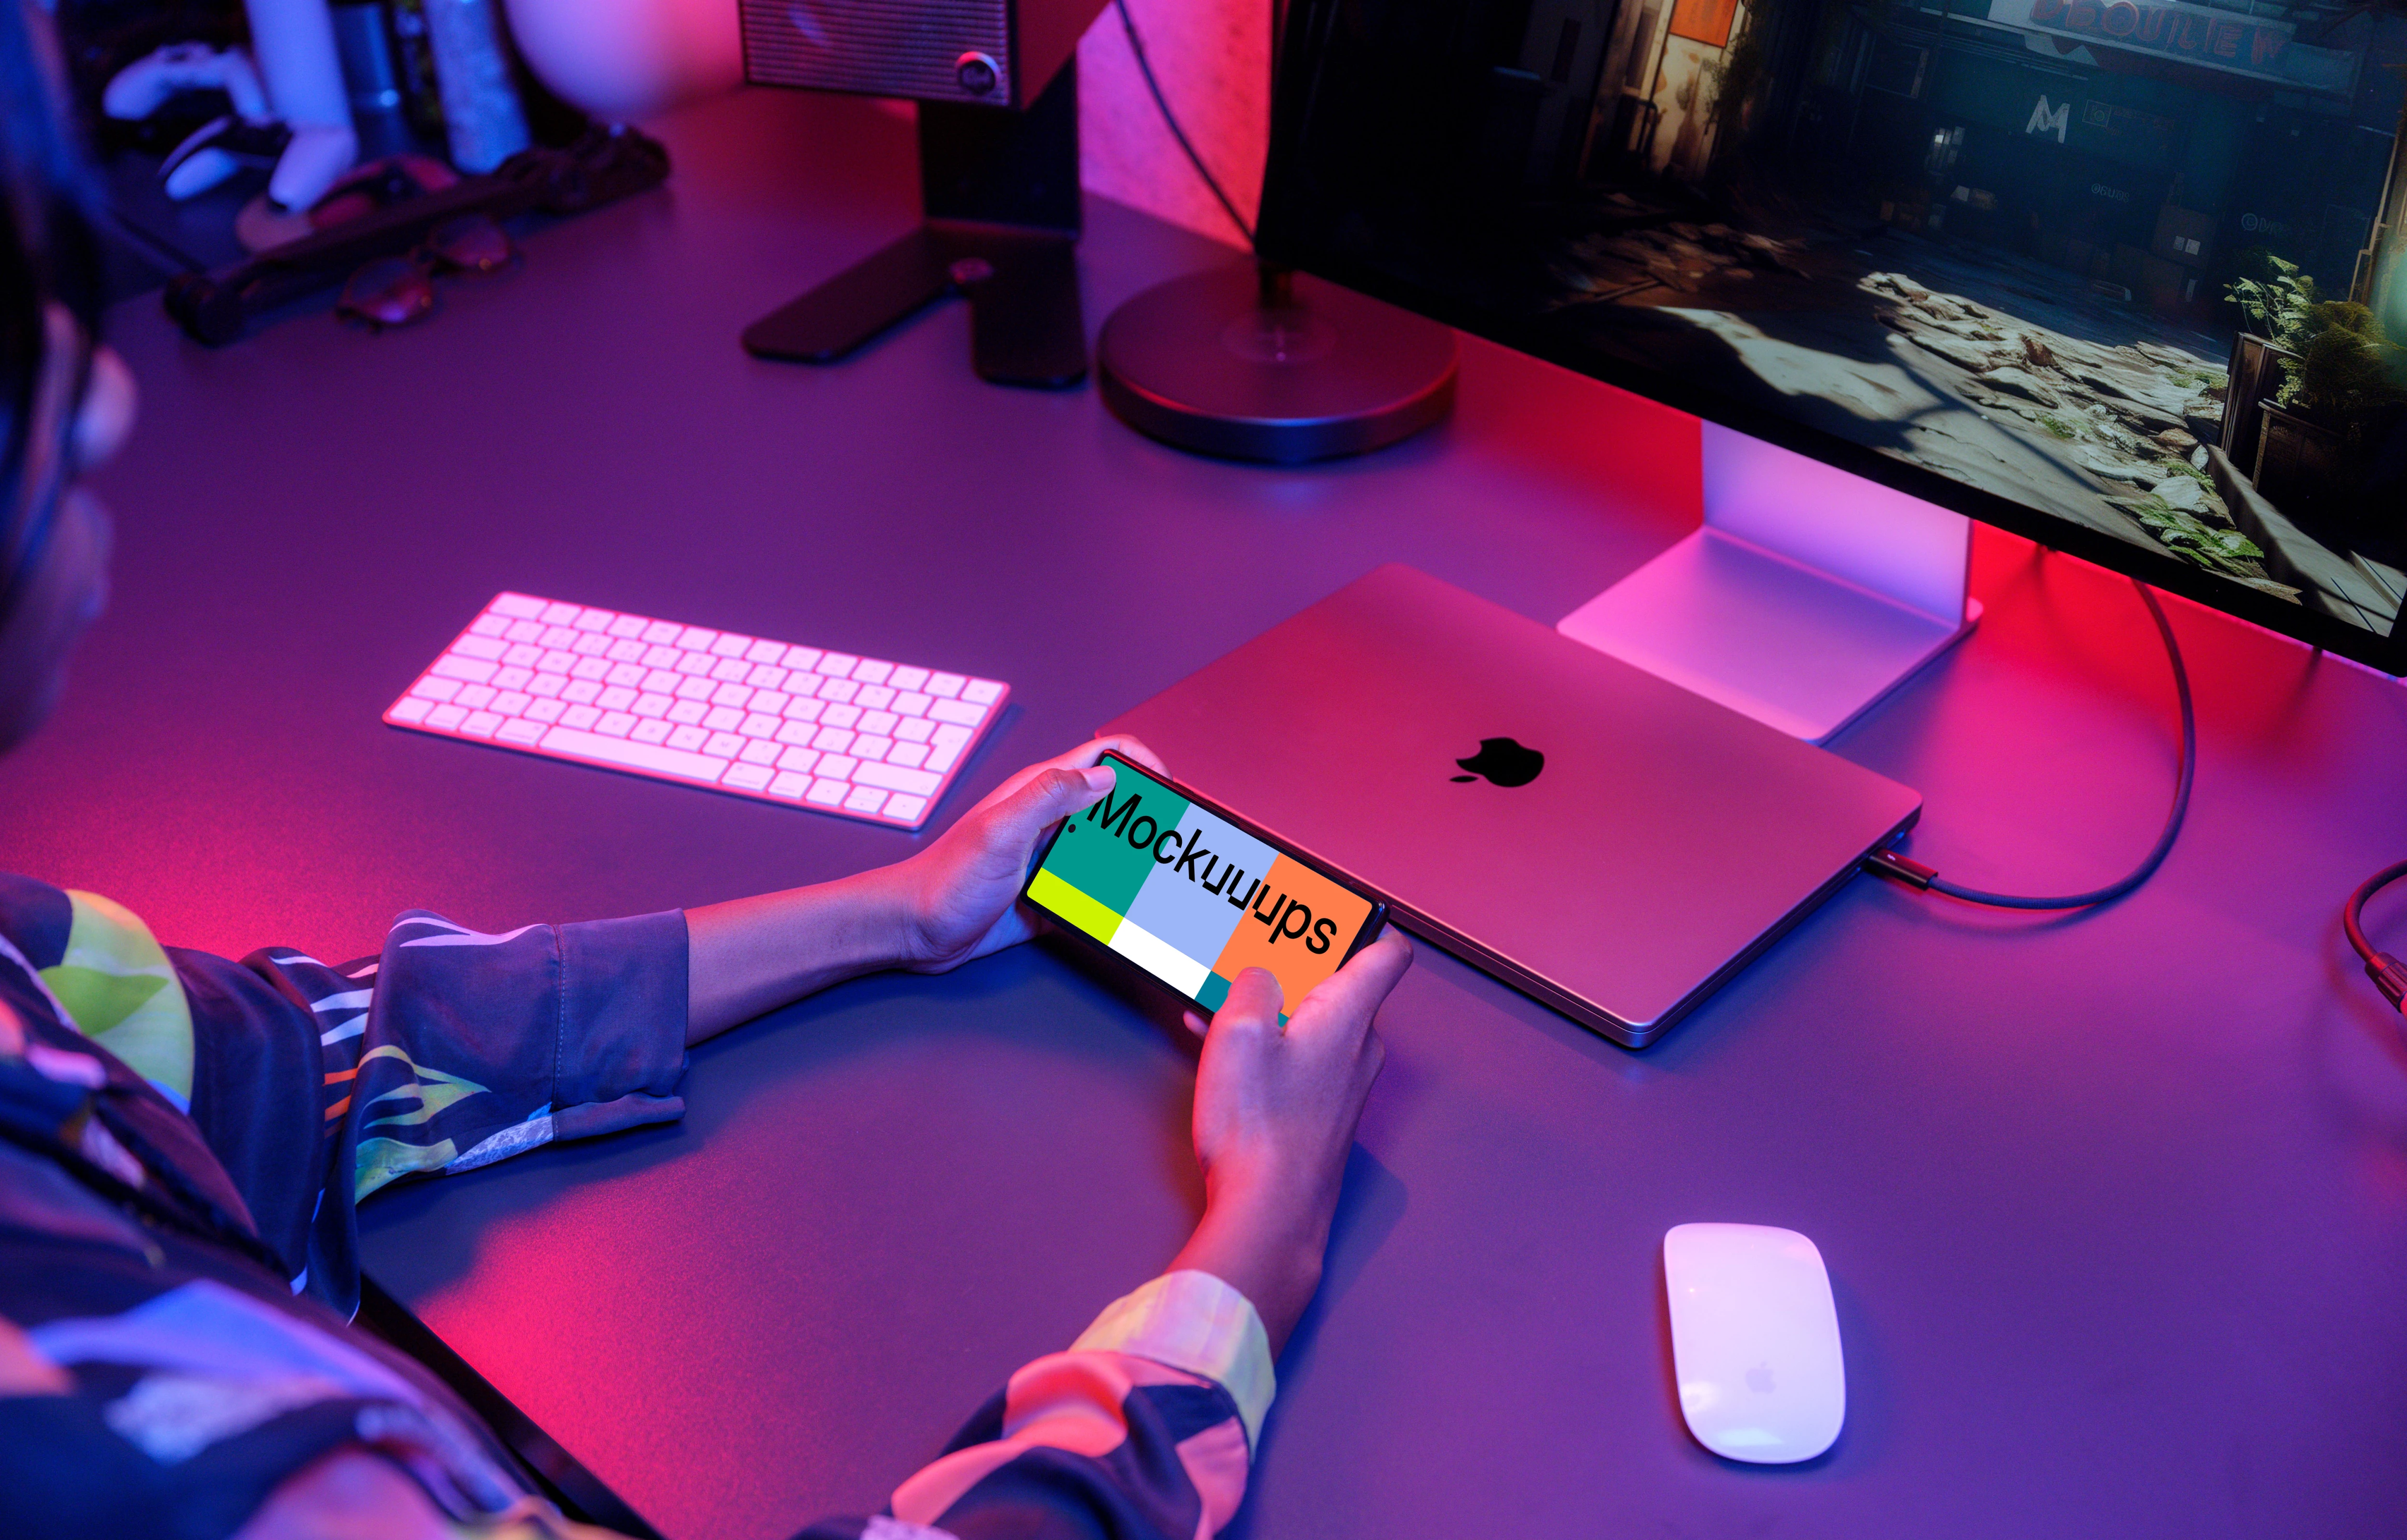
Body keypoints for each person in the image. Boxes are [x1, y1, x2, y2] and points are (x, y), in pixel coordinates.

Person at [0, 5, 1411, 1535]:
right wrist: (1261, 1243)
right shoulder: (158, 1466)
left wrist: (899, 912)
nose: (109, 396)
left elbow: (291, 1066)